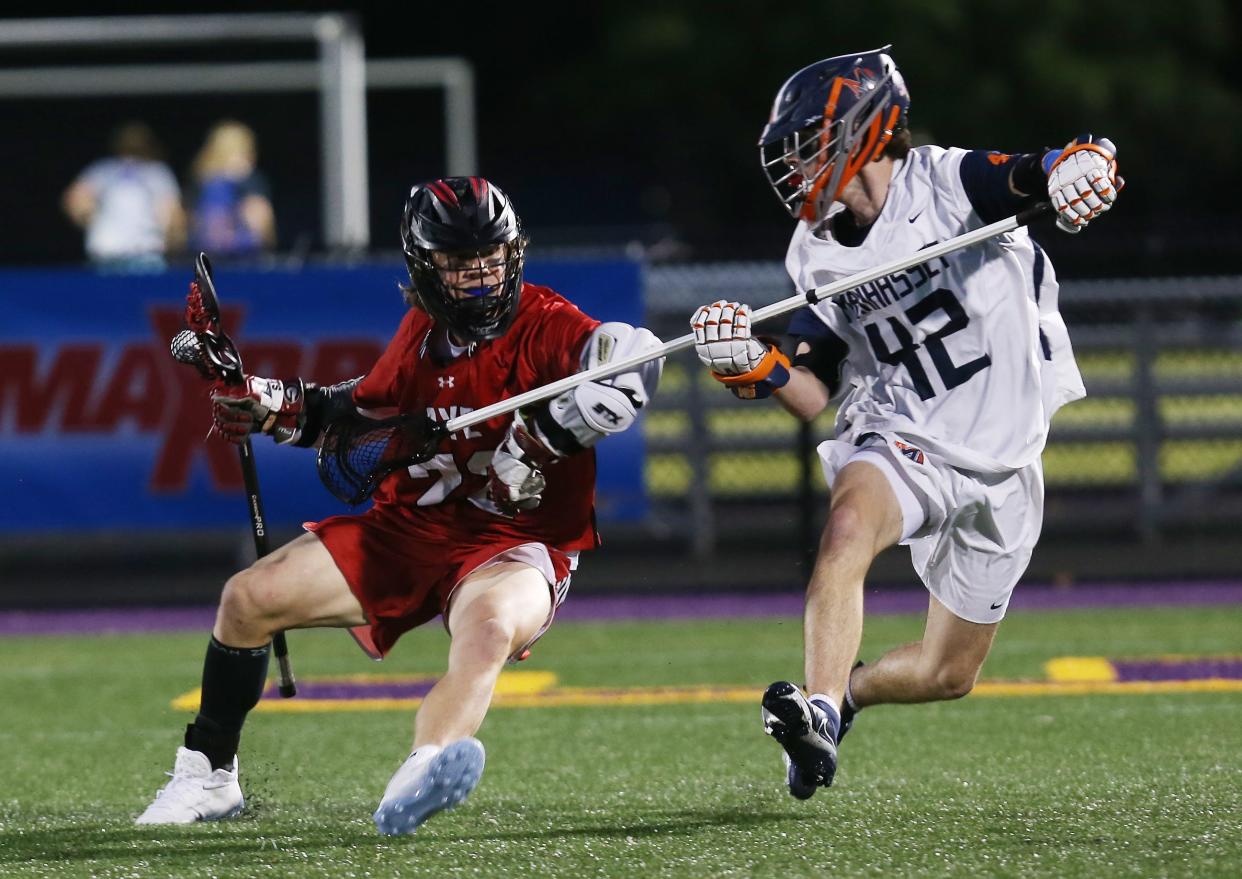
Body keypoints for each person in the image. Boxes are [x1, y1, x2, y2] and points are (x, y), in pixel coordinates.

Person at [137, 176, 664, 834]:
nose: (478, 278)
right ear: (424, 267)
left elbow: (634, 359)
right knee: (247, 599)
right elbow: (351, 416)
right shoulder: (420, 335)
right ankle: (208, 774)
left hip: (515, 543)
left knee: (490, 628)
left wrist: (539, 441)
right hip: (409, 529)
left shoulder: (549, 325)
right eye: (459, 265)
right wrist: (264, 401)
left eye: (490, 260)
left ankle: (424, 767)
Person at [689, 46, 1121, 799]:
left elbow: (1034, 173)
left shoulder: (947, 182)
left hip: (1005, 450)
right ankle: (815, 709)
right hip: (902, 430)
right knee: (849, 527)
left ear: (864, 128)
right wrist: (751, 365)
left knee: (946, 672)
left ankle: (846, 699)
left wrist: (1080, 167)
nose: (793, 163)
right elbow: (812, 390)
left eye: (807, 142)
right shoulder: (813, 252)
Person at [61, 121, 184, 270]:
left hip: (123, 250)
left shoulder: (105, 170)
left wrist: (92, 222)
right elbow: (172, 214)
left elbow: (75, 201)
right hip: (130, 250)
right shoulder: (105, 170)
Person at [188, 120, 276, 258]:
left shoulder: (199, 178)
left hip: (204, 261)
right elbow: (263, 225)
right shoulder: (249, 180)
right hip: (241, 258)